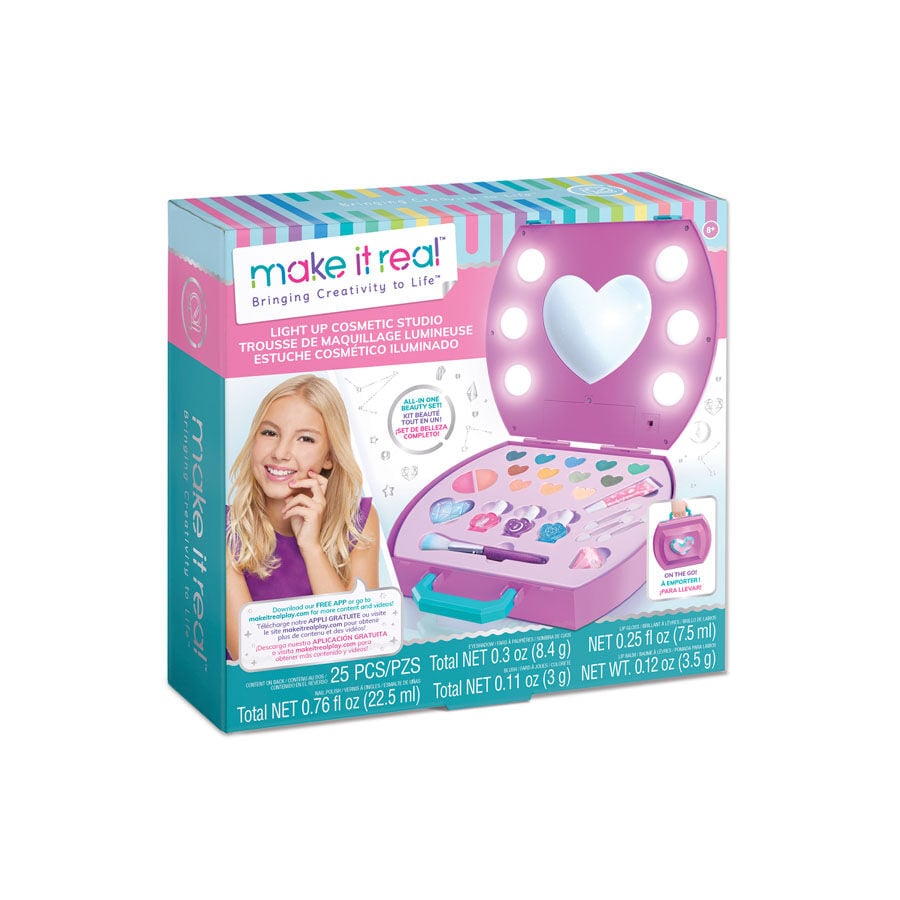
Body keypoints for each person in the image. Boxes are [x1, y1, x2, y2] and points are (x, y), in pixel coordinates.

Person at [226, 375, 379, 660]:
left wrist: (311, 548)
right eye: (269, 433)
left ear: (329, 457)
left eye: (305, 439)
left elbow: (359, 645)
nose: (280, 453)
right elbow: (249, 657)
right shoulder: (223, 529)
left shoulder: (358, 520)